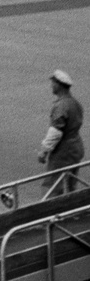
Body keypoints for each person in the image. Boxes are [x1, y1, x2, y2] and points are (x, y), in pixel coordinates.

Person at [40, 70, 85, 199]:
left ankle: (50, 214)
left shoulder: (61, 106)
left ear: (59, 85)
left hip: (63, 151)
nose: (51, 86)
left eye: (53, 83)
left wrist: (44, 151)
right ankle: (70, 209)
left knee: (53, 185)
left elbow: (55, 133)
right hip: (76, 148)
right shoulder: (75, 103)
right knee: (71, 183)